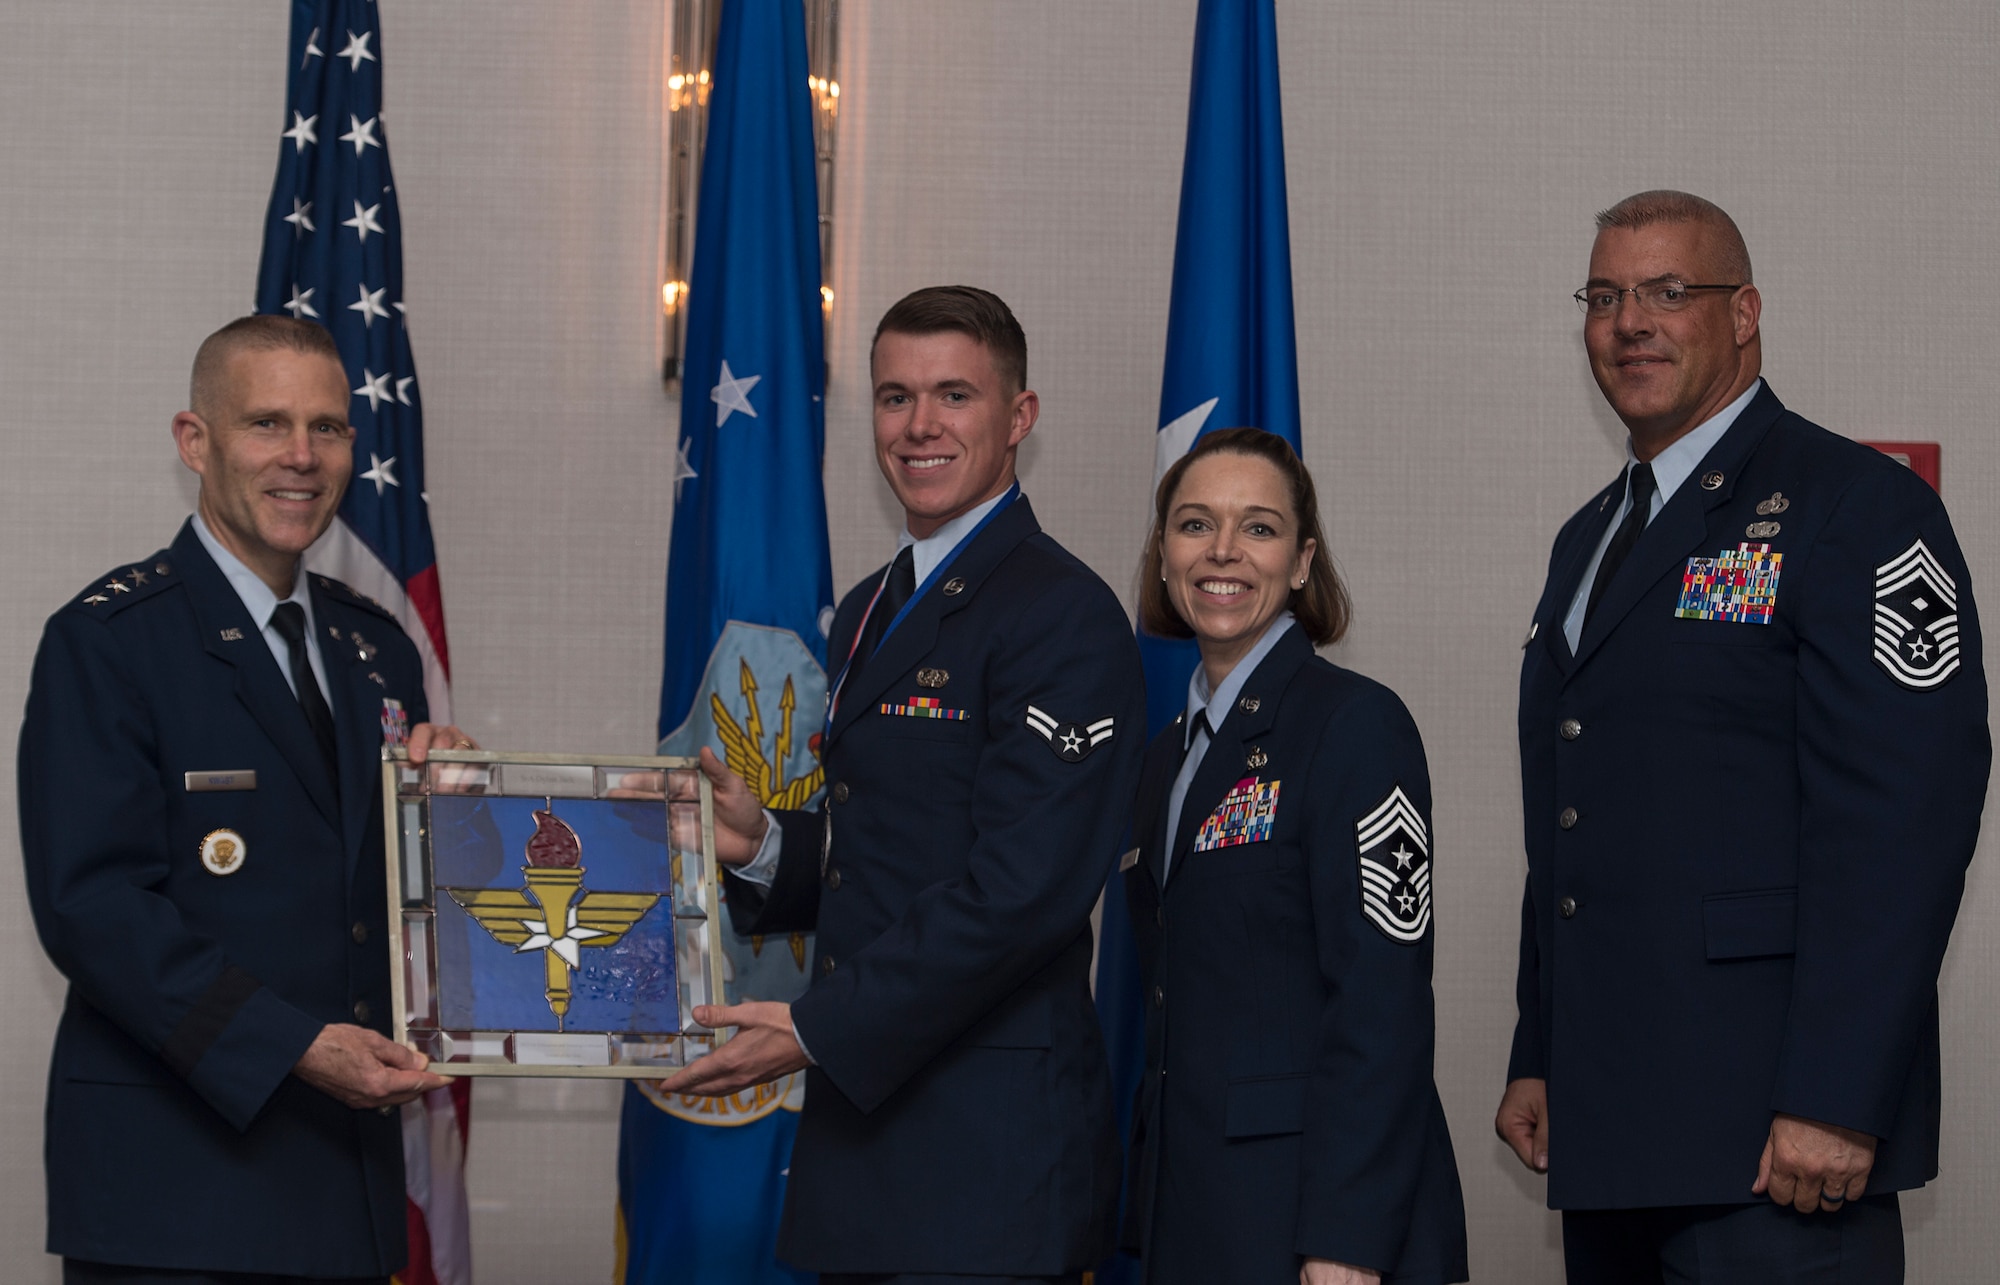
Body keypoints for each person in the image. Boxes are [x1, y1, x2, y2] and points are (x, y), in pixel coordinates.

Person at [1496, 191, 1990, 1282]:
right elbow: (1575, 815)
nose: (1629, 321)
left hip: (1778, 1155)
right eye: (1604, 295)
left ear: (1744, 311)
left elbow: (1902, 823)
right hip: (1613, 1134)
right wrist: (1543, 1050)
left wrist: (1835, 1095)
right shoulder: (1590, 537)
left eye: (1668, 292)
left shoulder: (1852, 505)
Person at [660, 285, 1147, 1284]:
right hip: (867, 1145)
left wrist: (808, 1026)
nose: (918, 425)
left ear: (1018, 417)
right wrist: (767, 846)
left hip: (986, 1161)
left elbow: (1021, 892)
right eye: (893, 397)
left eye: (953, 395)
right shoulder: (872, 609)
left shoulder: (1062, 616)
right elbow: (888, 851)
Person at [20, 315, 474, 1285]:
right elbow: (92, 909)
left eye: (328, 428)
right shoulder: (109, 643)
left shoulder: (377, 652)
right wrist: (295, 1045)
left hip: (343, 1191)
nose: (301, 457)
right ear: (197, 442)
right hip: (177, 1192)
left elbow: (371, 908)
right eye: (267, 424)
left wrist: (451, 816)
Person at [1119, 429, 1468, 1285]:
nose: (1224, 551)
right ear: (1164, 554)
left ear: (1304, 561)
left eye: (1260, 528)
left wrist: (1347, 1238)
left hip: (1319, 1223)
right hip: (1195, 1209)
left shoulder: (1355, 726)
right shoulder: (1165, 757)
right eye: (1196, 524)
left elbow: (1381, 1000)